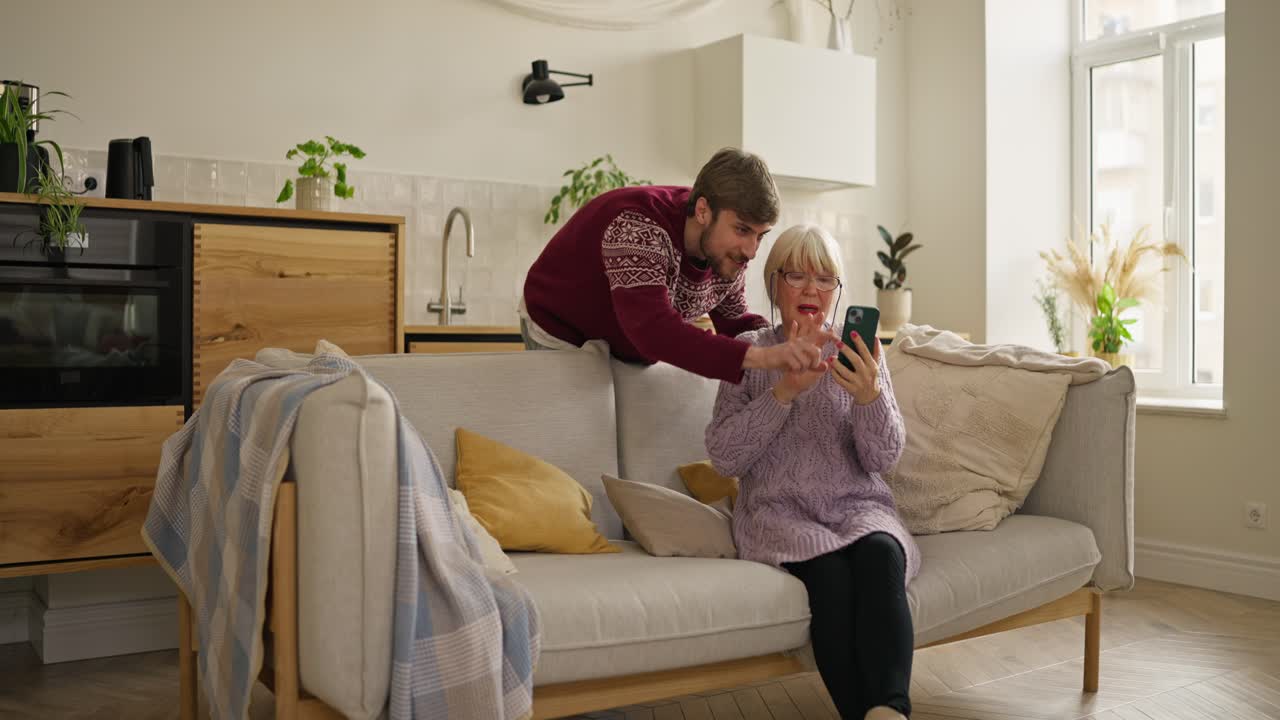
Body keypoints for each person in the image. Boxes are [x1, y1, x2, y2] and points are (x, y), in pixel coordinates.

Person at [704, 224, 918, 720]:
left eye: (824, 279)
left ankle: (890, 710)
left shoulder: (859, 350)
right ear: (774, 283)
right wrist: (783, 392)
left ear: (837, 290)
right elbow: (725, 457)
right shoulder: (750, 351)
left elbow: (883, 459)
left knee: (881, 553)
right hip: (779, 513)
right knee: (829, 574)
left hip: (857, 506)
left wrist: (869, 397)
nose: (811, 290)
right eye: (796, 275)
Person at [519, 147, 826, 382]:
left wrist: (788, 340)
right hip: (560, 331)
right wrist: (765, 357)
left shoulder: (726, 252)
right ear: (703, 211)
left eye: (760, 235)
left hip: (625, 343)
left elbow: (734, 323)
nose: (751, 251)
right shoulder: (638, 227)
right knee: (575, 435)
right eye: (742, 229)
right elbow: (653, 331)